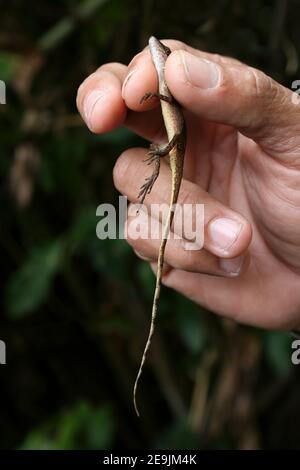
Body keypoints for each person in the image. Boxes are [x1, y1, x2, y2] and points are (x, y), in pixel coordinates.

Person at [77, 39, 300, 331]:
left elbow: (170, 104)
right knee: (165, 195)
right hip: (177, 138)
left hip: (176, 136)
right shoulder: (165, 90)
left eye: (163, 52)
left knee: (164, 180)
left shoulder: (172, 86)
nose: (157, 49)